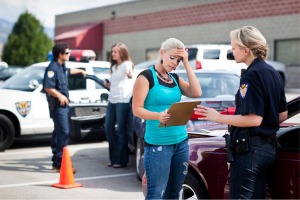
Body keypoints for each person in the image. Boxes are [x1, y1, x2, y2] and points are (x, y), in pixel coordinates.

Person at [195, 26, 288, 199]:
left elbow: (253, 119)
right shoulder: (273, 73)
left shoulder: (251, 75)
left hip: (250, 152)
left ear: (246, 50)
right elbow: (282, 115)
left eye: (234, 47)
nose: (232, 51)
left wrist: (218, 117)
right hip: (267, 149)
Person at [132, 38, 202, 199]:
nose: (174, 63)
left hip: (181, 142)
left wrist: (187, 63)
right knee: (156, 194)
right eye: (172, 58)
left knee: (173, 193)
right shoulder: (146, 77)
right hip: (158, 144)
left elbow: (196, 92)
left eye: (178, 60)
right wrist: (157, 116)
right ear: (161, 53)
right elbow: (136, 109)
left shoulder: (175, 78)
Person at [43, 43, 86, 173]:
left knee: (58, 132)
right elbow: (47, 87)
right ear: (60, 54)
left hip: (64, 106)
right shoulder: (52, 68)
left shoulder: (62, 67)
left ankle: (56, 162)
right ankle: (61, 163)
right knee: (64, 132)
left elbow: (68, 72)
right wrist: (60, 96)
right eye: (67, 53)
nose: (69, 55)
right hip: (58, 106)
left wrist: (80, 71)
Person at [104, 42, 134, 168]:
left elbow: (130, 74)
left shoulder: (127, 64)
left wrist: (130, 74)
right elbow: (113, 83)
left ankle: (121, 160)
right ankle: (113, 158)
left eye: (115, 51)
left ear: (122, 52)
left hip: (123, 100)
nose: (113, 54)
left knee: (121, 130)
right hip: (112, 99)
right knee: (108, 128)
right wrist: (108, 85)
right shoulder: (114, 67)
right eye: (112, 51)